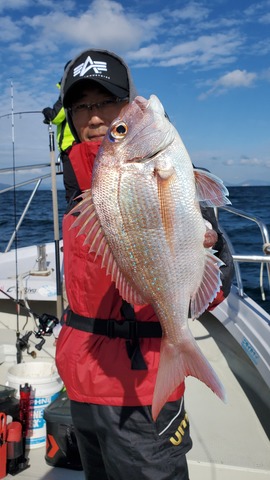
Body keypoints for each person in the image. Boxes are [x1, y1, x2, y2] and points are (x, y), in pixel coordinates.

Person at [55, 49, 234, 480]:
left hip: (142, 387)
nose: (94, 117)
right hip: (80, 382)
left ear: (126, 103)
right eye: (81, 106)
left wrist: (214, 252)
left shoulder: (176, 177)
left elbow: (215, 289)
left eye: (106, 103)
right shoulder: (77, 198)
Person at [42, 62, 77, 202]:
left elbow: (56, 117)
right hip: (80, 146)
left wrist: (46, 112)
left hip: (71, 149)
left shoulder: (67, 92)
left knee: (74, 192)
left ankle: (76, 220)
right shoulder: (80, 90)